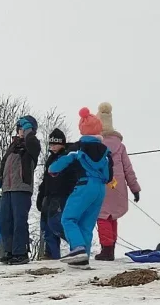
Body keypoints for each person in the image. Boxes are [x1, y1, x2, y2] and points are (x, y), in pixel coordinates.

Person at [48, 107, 114, 267]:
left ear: (83, 130)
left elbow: (59, 164)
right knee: (86, 225)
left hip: (84, 185)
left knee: (68, 218)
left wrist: (53, 169)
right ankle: (83, 260)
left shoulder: (78, 148)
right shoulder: (106, 152)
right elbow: (108, 176)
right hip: (100, 190)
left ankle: (78, 248)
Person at [94, 103, 141, 261]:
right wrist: (135, 188)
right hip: (118, 185)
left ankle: (106, 250)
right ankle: (111, 248)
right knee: (112, 216)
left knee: (102, 216)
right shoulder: (120, 146)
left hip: (102, 183)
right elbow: (128, 169)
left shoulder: (96, 145)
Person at [0, 116, 41, 265]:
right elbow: (4, 165)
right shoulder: (12, 147)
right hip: (7, 188)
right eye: (19, 129)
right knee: (5, 221)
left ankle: (20, 252)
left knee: (19, 220)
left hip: (22, 188)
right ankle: (10, 250)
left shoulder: (32, 146)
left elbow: (32, 143)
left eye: (23, 129)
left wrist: (28, 131)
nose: (21, 131)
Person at [36, 129, 79, 260]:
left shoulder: (68, 157)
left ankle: (77, 244)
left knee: (55, 223)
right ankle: (51, 253)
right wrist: (41, 194)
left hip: (62, 195)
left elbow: (72, 178)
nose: (53, 147)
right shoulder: (50, 159)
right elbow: (45, 179)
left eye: (56, 144)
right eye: (51, 144)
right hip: (49, 195)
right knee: (46, 226)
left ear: (62, 144)